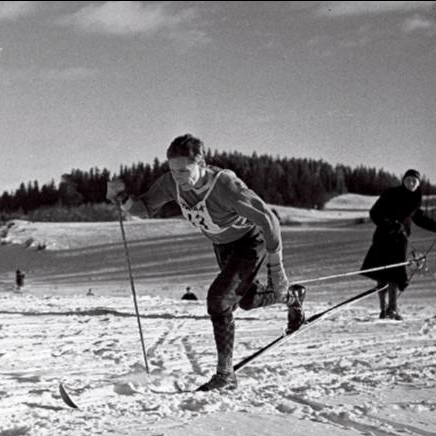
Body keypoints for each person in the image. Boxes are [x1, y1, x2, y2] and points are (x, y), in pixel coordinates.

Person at [107, 133, 300, 392]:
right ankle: (291, 298)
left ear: (201, 163)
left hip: (250, 242)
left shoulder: (225, 186)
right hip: (222, 245)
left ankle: (225, 375)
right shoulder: (171, 183)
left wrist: (276, 268)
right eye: (173, 169)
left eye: (184, 170)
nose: (178, 176)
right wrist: (123, 199)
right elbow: (145, 207)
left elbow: (269, 220)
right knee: (246, 300)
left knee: (218, 300)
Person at [360, 168, 436, 320]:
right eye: (408, 180)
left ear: (418, 184)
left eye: (414, 181)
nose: (411, 183)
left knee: (395, 274)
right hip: (384, 238)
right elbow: (374, 213)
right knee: (382, 273)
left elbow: (420, 219)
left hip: (400, 241)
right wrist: (389, 223)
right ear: (403, 181)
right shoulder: (390, 194)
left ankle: (392, 309)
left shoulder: (414, 201)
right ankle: (383, 309)